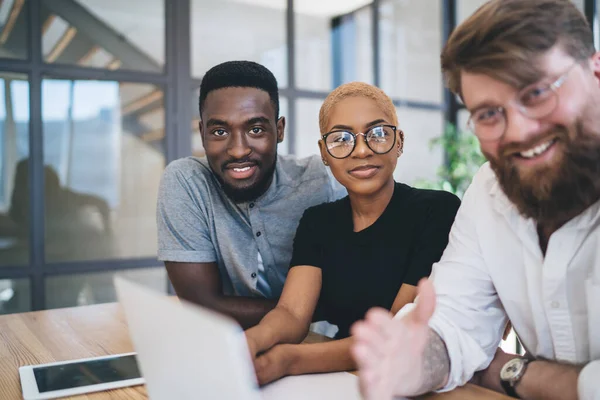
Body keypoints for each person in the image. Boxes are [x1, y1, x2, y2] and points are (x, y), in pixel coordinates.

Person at [350, 1, 600, 400]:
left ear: (596, 71)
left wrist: (510, 373)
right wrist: (413, 362)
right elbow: (453, 324)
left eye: (536, 92)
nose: (517, 131)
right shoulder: (491, 189)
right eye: (487, 113)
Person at [244, 82, 460, 385]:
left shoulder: (436, 211)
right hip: (340, 377)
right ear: (324, 153)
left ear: (399, 142)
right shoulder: (318, 221)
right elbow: (292, 313)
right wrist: (247, 342)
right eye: (341, 139)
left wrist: (288, 360)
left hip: (414, 380)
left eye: (379, 134)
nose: (361, 150)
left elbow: (396, 332)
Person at [157, 61, 345, 329]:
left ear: (279, 130)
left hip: (317, 347)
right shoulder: (187, 181)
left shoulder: (321, 181)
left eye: (255, 129)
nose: (237, 150)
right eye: (220, 132)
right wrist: (301, 314)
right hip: (234, 350)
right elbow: (201, 304)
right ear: (202, 133)